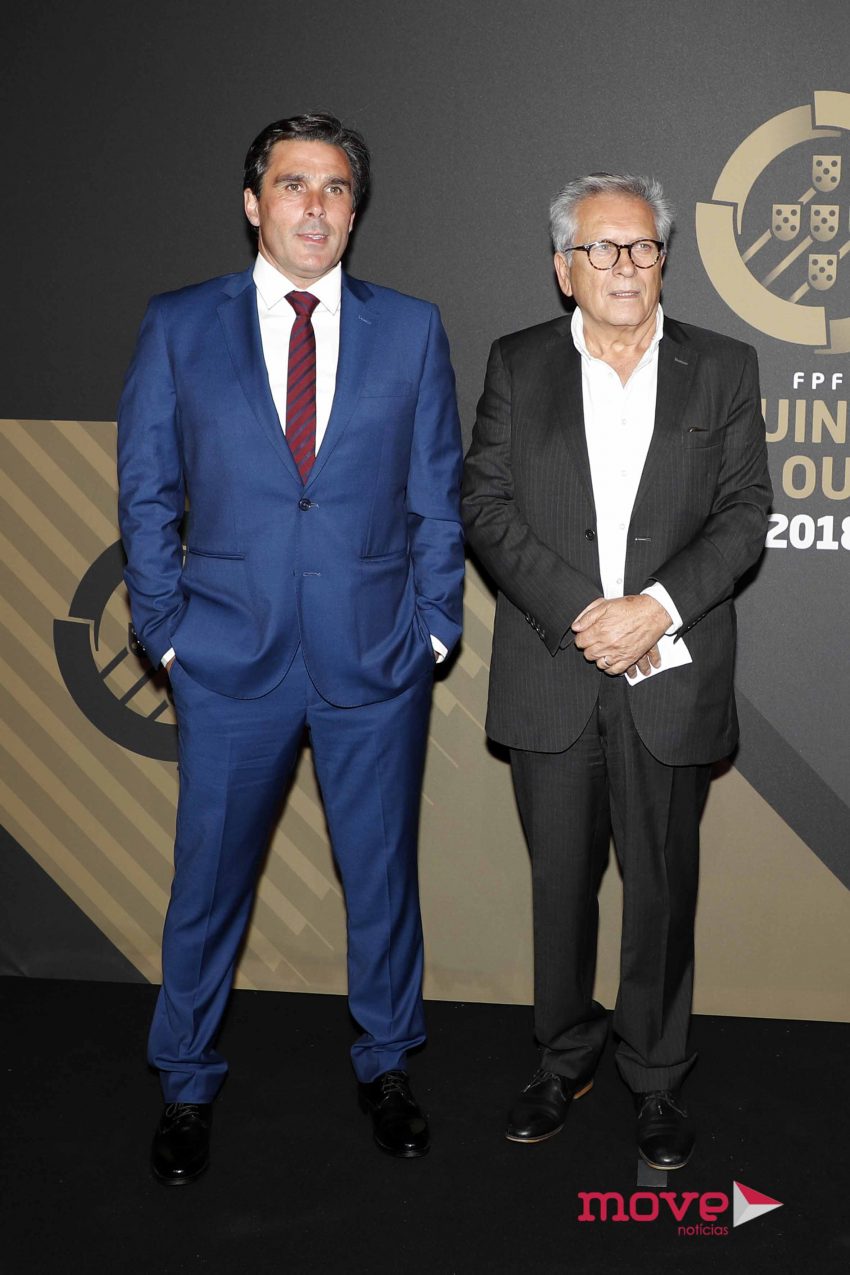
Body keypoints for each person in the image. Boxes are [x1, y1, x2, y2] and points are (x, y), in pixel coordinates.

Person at [118, 113, 464, 1183]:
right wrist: (167, 632)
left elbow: (436, 496)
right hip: (227, 658)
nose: (315, 205)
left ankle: (388, 1065)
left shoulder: (412, 329)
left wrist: (434, 627)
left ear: (355, 210)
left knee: (382, 877)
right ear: (252, 202)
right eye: (293, 184)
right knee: (207, 882)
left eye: (336, 187)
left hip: (376, 658)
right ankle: (184, 1079)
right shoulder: (180, 324)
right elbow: (146, 490)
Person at [462, 173, 771, 1170]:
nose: (624, 265)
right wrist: (583, 611)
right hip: (554, 668)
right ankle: (562, 1057)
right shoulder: (518, 363)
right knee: (561, 887)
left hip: (669, 674)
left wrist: (655, 609)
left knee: (661, 889)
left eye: (641, 246)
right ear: (565, 268)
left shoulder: (722, 367)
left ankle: (656, 1072)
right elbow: (485, 502)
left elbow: (744, 513)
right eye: (600, 248)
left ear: (664, 259)